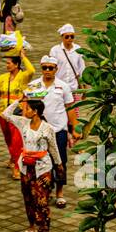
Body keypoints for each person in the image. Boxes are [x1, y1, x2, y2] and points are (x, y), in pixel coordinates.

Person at [3, 97, 61, 232]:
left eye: (27, 108)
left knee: (42, 201)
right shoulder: (23, 123)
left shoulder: (47, 128)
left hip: (43, 168)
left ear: (35, 112)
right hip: (25, 167)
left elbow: (53, 148)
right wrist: (18, 101)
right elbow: (5, 114)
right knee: (28, 198)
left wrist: (59, 165)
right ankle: (32, 225)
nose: (24, 111)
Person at [28, 59, 79, 207]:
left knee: (60, 161)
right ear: (41, 68)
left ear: (56, 69)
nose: (48, 70)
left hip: (58, 130)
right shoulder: (34, 86)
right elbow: (27, 106)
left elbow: (70, 108)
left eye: (51, 68)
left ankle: (60, 193)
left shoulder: (63, 86)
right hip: (40, 131)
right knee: (42, 162)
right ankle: (45, 190)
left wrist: (74, 127)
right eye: (45, 67)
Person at [0, 51, 36, 180]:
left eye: (9, 63)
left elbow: (31, 70)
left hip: (17, 114)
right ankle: (13, 157)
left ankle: (16, 166)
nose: (7, 65)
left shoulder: (24, 77)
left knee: (16, 141)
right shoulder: (2, 78)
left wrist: (23, 56)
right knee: (8, 139)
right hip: (3, 114)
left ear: (16, 65)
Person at [50, 24, 87, 105]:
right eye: (67, 36)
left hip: (73, 88)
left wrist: (84, 89)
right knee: (59, 113)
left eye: (72, 36)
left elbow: (82, 69)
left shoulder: (78, 49)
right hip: (58, 88)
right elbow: (50, 69)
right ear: (62, 37)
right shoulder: (55, 50)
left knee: (74, 113)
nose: (70, 38)